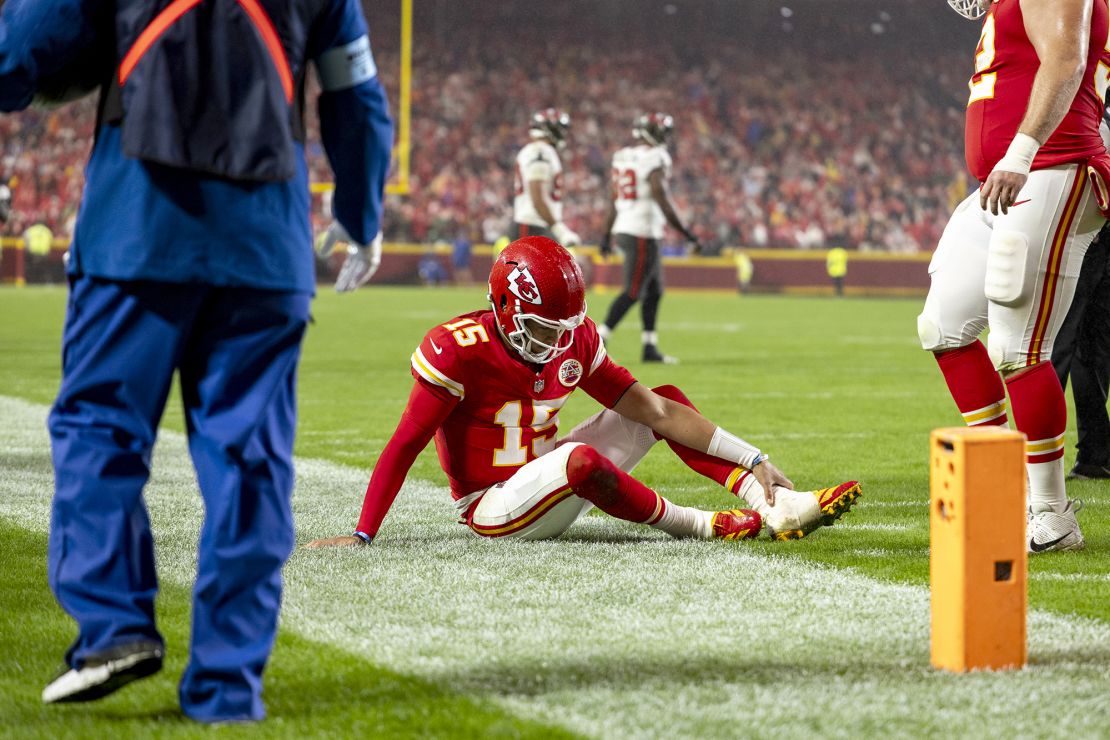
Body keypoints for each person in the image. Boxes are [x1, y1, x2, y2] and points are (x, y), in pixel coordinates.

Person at [0, 0, 392, 722]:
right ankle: (228, 685)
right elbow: (355, 94)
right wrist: (361, 216)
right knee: (250, 463)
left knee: (99, 432)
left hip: (137, 229)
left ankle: (113, 627)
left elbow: (20, 48)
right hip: (265, 247)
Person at [306, 237, 860, 550]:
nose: (558, 341)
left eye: (566, 326)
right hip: (494, 506)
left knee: (659, 399)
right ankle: (703, 524)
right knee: (578, 460)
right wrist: (362, 533)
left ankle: (770, 503)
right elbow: (405, 443)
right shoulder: (458, 348)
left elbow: (659, 411)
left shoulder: (570, 337)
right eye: (545, 327)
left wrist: (754, 458)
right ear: (504, 307)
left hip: (548, 467)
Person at [918, 0, 1110, 553]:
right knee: (944, 326)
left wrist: (1021, 151)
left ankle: (1051, 513)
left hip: (1051, 166)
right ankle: (1001, 482)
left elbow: (1066, 61)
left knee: (1019, 347)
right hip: (1005, 180)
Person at [597, 113, 701, 364]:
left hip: (627, 228)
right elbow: (660, 195)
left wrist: (606, 235)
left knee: (654, 291)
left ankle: (649, 346)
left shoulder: (623, 156)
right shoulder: (656, 157)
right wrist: (685, 231)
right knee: (633, 291)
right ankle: (598, 338)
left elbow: (614, 199)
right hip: (642, 230)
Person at [1052, 223, 1110, 479]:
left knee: (1090, 352)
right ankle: (1038, 459)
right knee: (1058, 349)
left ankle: (1094, 457)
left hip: (1097, 239)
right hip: (1081, 236)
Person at [509, 108, 580, 247]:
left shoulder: (537, 150)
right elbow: (537, 195)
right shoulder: (541, 151)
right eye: (559, 129)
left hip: (536, 225)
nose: (563, 134)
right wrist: (560, 229)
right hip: (532, 225)